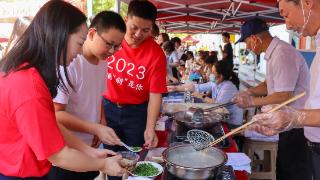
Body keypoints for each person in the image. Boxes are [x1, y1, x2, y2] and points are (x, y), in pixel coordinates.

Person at [0, 1, 124, 179]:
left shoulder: (26, 71)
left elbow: (49, 124)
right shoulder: (28, 86)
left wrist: (88, 151)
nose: (80, 52)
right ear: (58, 36)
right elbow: (58, 155)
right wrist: (103, 164)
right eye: (79, 43)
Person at [50, 11, 126, 180]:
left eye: (117, 46)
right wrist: (94, 128)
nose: (112, 51)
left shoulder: (103, 62)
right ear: (91, 34)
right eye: (109, 44)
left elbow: (97, 96)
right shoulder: (69, 63)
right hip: (67, 153)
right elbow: (56, 114)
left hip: (89, 150)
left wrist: (101, 122)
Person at [233, 18, 312, 180]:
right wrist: (249, 93)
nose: (247, 47)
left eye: (247, 42)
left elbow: (284, 96)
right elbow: (268, 84)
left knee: (292, 171)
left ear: (255, 39)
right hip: (287, 122)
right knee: (283, 167)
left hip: (298, 124)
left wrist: (252, 102)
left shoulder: (282, 54)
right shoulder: (273, 53)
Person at [249, 0, 320, 179]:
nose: (287, 25)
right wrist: (290, 119)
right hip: (308, 133)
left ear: (307, 3)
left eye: (286, 15)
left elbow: (284, 95)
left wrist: (293, 118)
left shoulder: (283, 53)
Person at [102, 1, 167, 179]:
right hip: (107, 107)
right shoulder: (112, 40)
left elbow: (155, 94)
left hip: (136, 114)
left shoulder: (156, 54)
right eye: (134, 27)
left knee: (133, 162)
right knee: (107, 158)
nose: (138, 34)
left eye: (145, 30)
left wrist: (150, 128)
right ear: (126, 19)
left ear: (152, 28)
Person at [168, 60, 243, 129]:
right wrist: (176, 88)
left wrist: (202, 96)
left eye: (213, 72)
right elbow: (196, 87)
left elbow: (218, 105)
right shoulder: (216, 82)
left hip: (232, 123)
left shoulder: (228, 87)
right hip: (223, 117)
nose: (211, 74)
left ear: (221, 76)